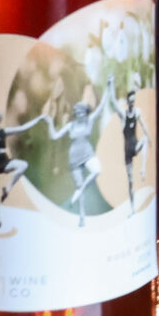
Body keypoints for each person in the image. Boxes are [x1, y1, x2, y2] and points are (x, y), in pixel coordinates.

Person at [64, 96, 99, 227]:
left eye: (82, 112)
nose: (79, 114)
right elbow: (55, 135)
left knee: (96, 171)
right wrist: (49, 123)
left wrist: (109, 88)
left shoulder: (88, 121)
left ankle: (79, 192)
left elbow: (100, 109)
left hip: (87, 155)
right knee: (79, 187)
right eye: (77, 112)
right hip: (74, 158)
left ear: (85, 113)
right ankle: (82, 217)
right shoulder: (71, 125)